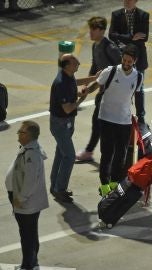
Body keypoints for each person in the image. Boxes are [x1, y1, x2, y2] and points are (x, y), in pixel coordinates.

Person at [85, 44, 143, 197]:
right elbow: (96, 85)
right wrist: (85, 91)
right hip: (106, 118)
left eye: (129, 61)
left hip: (124, 121)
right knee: (107, 153)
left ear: (134, 61)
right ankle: (104, 185)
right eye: (124, 60)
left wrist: (139, 115)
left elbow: (136, 96)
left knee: (121, 155)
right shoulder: (110, 71)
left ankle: (115, 183)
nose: (126, 63)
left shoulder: (138, 77)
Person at [75, 16, 122, 162]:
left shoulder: (110, 48)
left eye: (93, 29)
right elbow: (95, 67)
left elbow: (120, 70)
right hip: (103, 91)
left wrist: (95, 86)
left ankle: (92, 151)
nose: (90, 32)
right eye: (90, 29)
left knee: (103, 122)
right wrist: (86, 85)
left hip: (113, 93)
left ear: (102, 30)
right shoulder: (96, 46)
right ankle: (93, 151)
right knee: (100, 122)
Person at [49, 54, 94, 203]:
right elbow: (67, 108)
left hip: (67, 123)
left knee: (61, 153)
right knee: (69, 156)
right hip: (60, 124)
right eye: (75, 62)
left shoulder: (67, 76)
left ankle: (54, 185)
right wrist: (82, 98)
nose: (78, 63)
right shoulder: (60, 82)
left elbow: (76, 82)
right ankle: (60, 189)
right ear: (67, 65)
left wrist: (94, 78)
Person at [5, 121, 49, 270]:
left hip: (26, 203)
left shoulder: (32, 155)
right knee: (30, 233)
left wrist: (19, 199)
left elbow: (29, 182)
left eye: (21, 132)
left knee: (27, 236)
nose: (18, 133)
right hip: (24, 200)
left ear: (29, 135)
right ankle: (32, 263)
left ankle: (28, 266)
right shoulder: (28, 148)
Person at [109, 0, 149, 123]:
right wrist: (131, 37)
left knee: (139, 88)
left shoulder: (143, 15)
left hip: (139, 56)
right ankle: (123, 111)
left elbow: (144, 37)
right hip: (124, 57)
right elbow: (111, 35)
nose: (126, 2)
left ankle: (140, 115)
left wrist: (121, 37)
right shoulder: (116, 14)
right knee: (123, 85)